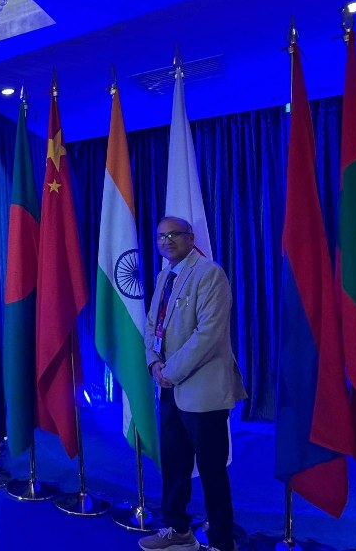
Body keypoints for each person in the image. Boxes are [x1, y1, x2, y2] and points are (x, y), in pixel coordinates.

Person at [138, 216, 246, 551]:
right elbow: (152, 326)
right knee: (174, 465)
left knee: (212, 471)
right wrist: (154, 362)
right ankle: (177, 529)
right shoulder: (164, 276)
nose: (167, 241)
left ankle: (221, 542)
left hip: (203, 391)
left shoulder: (210, 274)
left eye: (174, 234)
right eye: (161, 236)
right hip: (169, 389)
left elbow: (208, 334)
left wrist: (170, 371)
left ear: (191, 237)